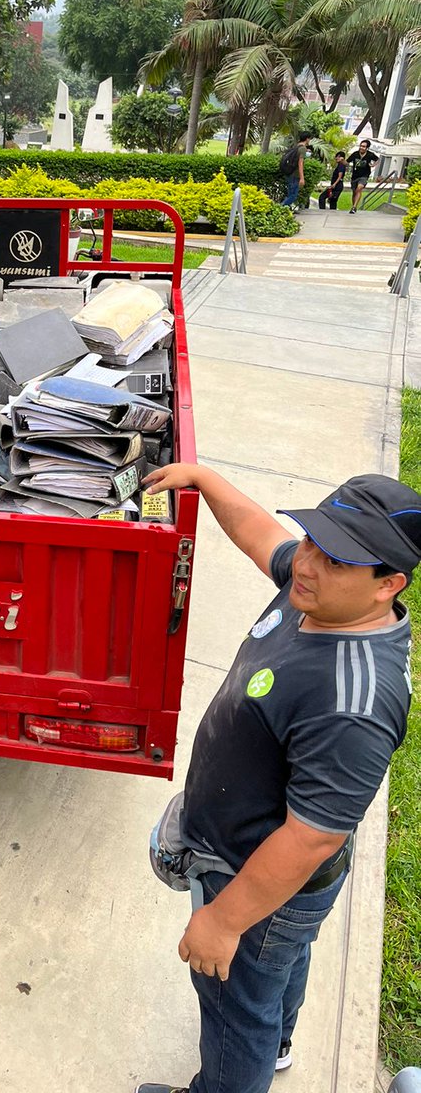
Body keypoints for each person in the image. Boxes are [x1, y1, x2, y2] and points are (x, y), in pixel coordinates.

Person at [134, 464, 420, 1093]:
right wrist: (205, 481)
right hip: (254, 867)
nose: (309, 563)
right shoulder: (319, 594)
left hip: (259, 879)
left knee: (237, 1016)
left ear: (387, 585)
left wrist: (225, 920)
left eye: (337, 559)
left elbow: (313, 836)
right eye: (315, 540)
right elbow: (261, 532)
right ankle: (280, 1038)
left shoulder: (353, 700)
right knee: (276, 974)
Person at [279, 132, 311, 209]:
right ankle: (279, 208)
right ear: (307, 139)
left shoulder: (297, 146)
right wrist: (302, 178)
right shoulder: (302, 148)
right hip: (294, 175)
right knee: (293, 195)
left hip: (289, 173)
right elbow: (300, 164)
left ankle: (286, 210)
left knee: (290, 194)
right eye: (309, 139)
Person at [347, 140, 379, 213]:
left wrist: (374, 164)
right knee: (354, 192)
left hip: (364, 175)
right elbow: (347, 162)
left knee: (359, 188)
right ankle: (353, 207)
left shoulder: (370, 155)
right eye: (361, 146)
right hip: (355, 176)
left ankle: (354, 207)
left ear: (367, 148)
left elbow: (378, 159)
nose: (361, 148)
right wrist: (341, 161)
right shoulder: (355, 154)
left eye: (364, 146)